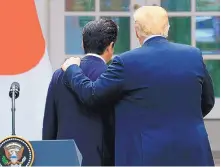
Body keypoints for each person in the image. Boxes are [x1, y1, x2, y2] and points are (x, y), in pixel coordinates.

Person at [61, 6, 215, 166]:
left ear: (137, 31)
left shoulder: (126, 62)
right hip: (193, 152)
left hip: (146, 156)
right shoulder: (193, 55)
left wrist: (72, 69)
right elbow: (208, 101)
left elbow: (92, 95)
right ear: (167, 28)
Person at [42, 19, 118, 166]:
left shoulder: (59, 75)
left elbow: (50, 124)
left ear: (83, 44)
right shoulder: (111, 76)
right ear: (111, 47)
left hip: (63, 159)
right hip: (99, 158)